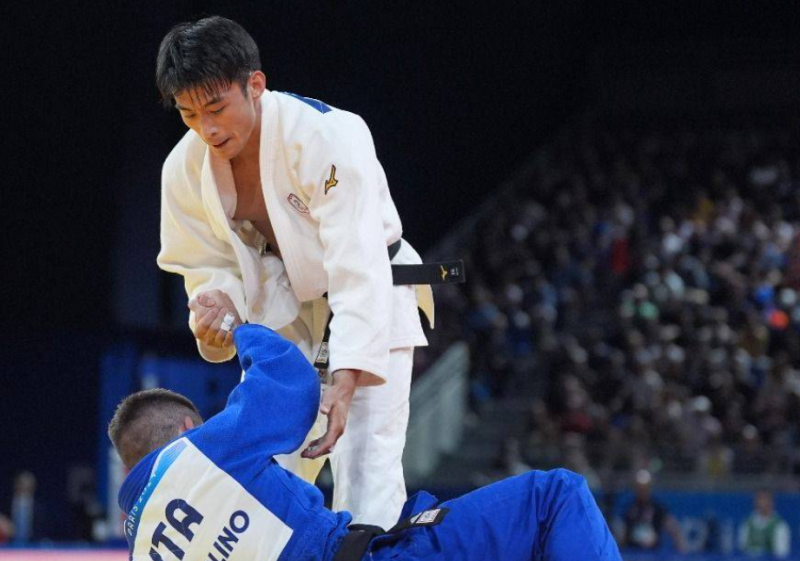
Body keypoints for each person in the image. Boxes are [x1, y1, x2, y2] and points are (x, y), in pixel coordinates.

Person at [154, 15, 444, 529]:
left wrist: (347, 373)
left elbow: (359, 266)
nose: (208, 128)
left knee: (365, 473)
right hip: (285, 309)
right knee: (266, 472)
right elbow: (204, 263)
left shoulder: (328, 136)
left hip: (373, 291)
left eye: (217, 107)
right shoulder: (183, 170)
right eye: (189, 113)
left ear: (255, 85)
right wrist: (216, 302)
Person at [109, 324, 621, 561]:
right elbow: (290, 382)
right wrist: (236, 328)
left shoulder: (143, 549)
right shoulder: (198, 452)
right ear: (183, 429)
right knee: (555, 497)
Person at [618, 470, 686, 552]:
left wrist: (681, 550)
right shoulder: (629, 508)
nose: (642, 490)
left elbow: (674, 529)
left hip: (653, 555)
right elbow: (622, 534)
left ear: (649, 487)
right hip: (633, 553)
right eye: (640, 487)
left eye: (644, 487)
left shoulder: (658, 507)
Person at [738, 489, 790, 558]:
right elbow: (742, 548)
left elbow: (781, 553)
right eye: (759, 499)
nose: (762, 503)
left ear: (772, 502)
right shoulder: (747, 523)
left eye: (765, 500)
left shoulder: (780, 525)